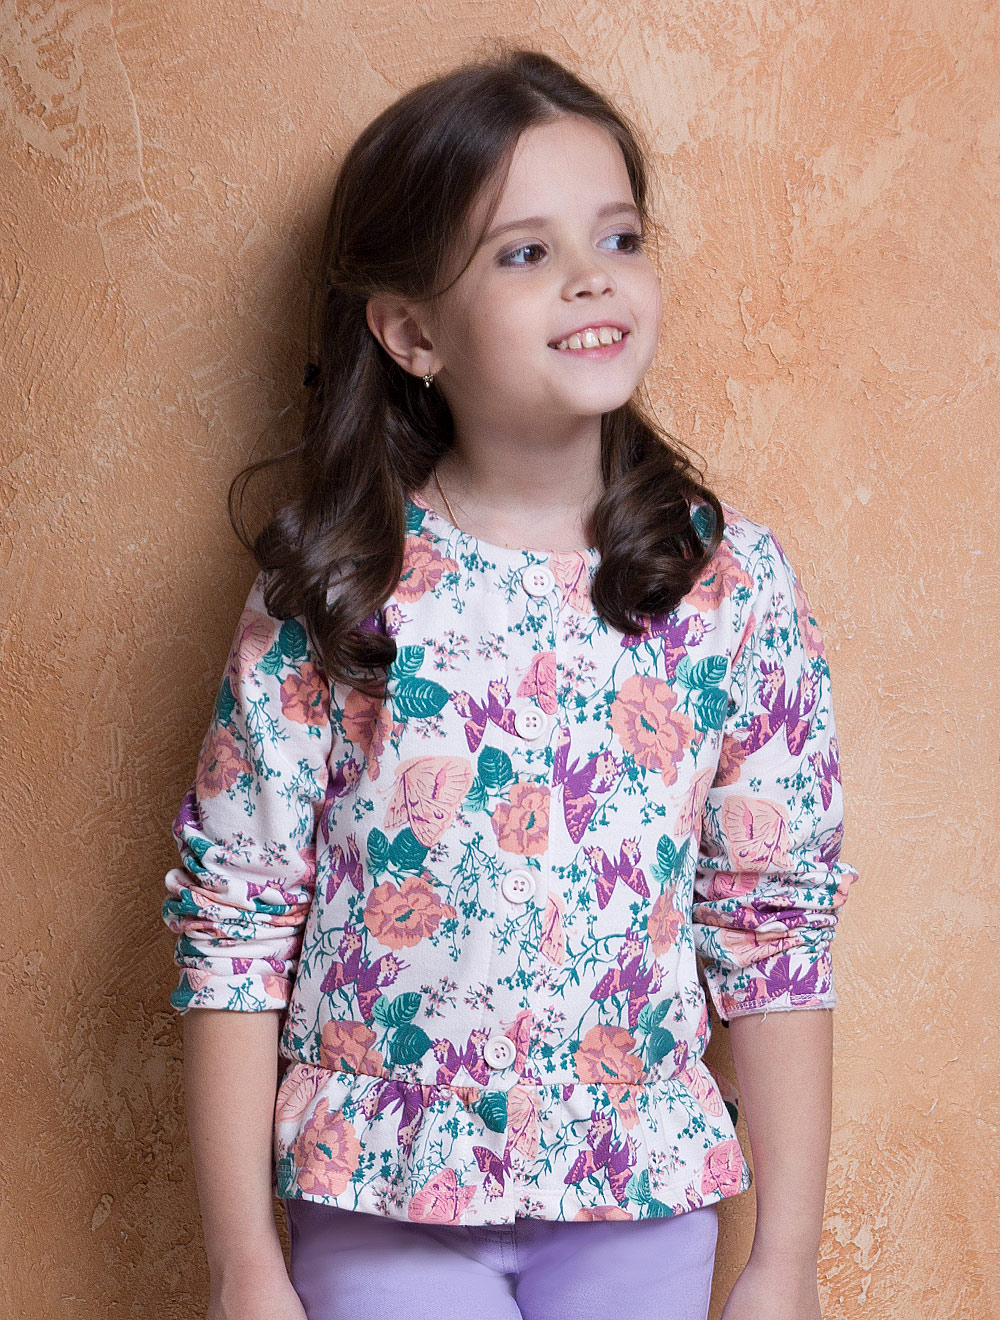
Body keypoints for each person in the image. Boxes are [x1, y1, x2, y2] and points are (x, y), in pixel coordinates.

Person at [162, 44, 859, 1320]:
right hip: (379, 1197)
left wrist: (785, 1258)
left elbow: (775, 927)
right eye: (525, 251)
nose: (592, 275)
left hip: (637, 1198)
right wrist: (241, 1264)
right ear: (412, 332)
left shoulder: (729, 586)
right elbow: (236, 929)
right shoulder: (336, 587)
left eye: (619, 237)